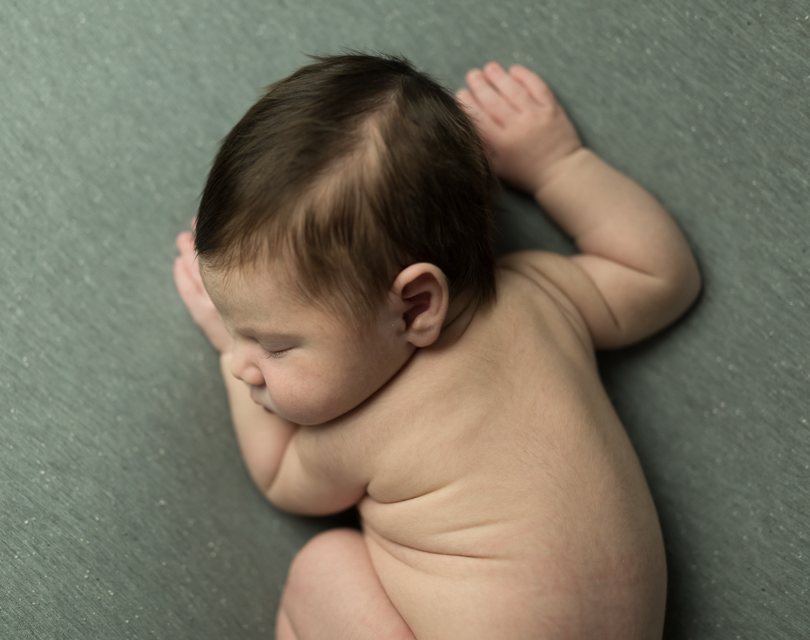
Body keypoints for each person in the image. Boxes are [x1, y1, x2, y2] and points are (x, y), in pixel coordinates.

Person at [174, 53, 700, 640]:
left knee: (321, 571)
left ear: (417, 307)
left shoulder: (362, 428)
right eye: (241, 336)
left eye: (272, 345)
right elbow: (662, 275)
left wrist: (223, 347)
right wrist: (558, 165)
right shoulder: (544, 295)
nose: (250, 368)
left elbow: (278, 476)